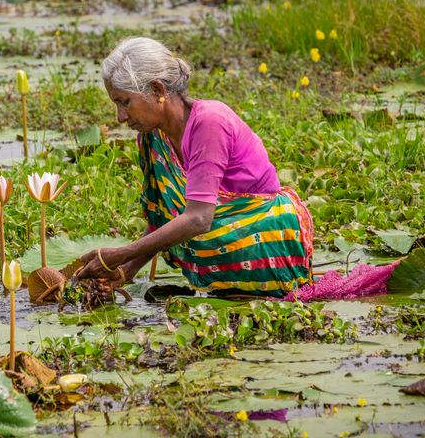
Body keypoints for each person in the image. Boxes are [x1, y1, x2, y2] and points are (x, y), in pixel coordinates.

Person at [76, 37, 314, 297]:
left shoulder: (209, 122)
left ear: (157, 90)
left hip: (265, 238)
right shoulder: (154, 136)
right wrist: (124, 271)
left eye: (125, 102)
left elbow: (198, 219)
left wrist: (121, 253)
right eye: (116, 104)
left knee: (193, 230)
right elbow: (163, 217)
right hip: (221, 240)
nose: (120, 116)